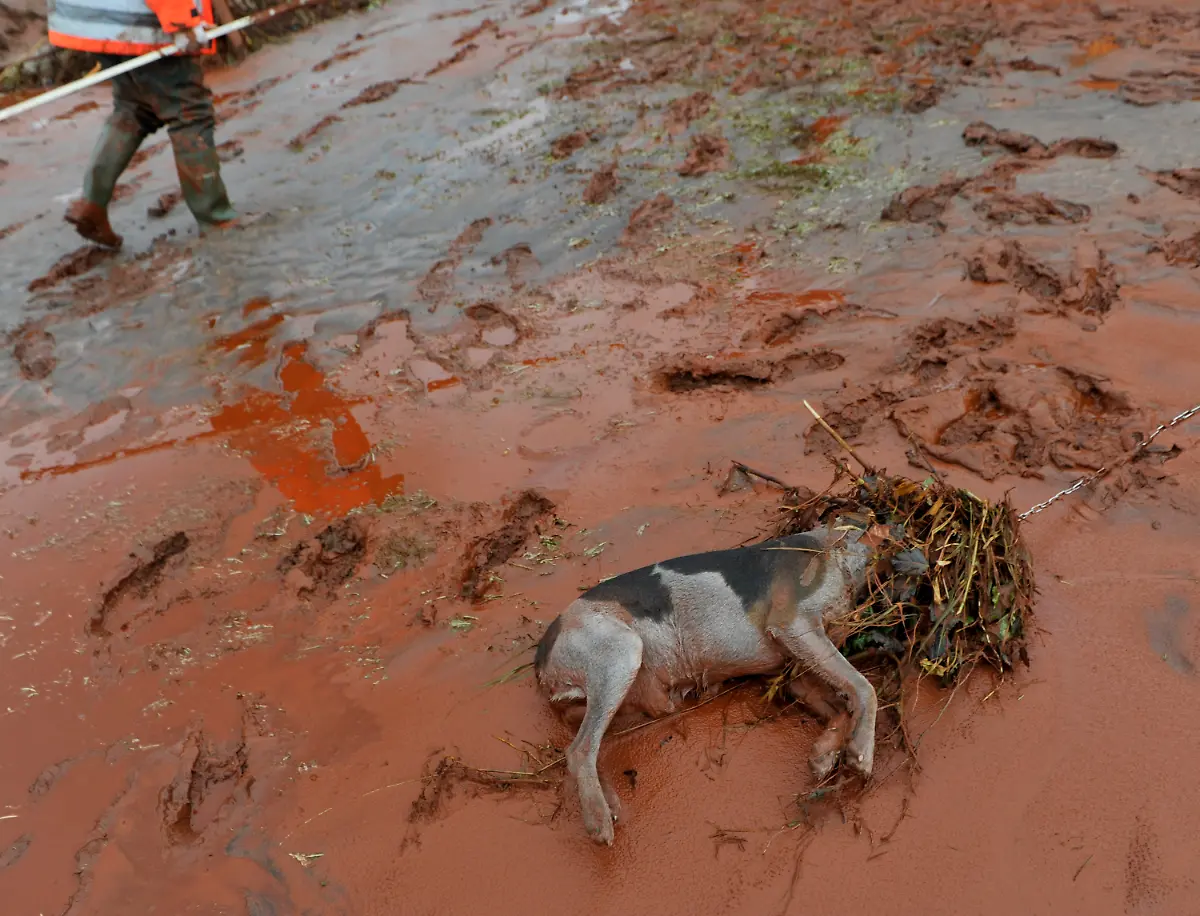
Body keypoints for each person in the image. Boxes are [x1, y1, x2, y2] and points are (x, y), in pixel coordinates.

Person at [46, 0, 237, 248]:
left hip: (88, 19)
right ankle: (217, 220)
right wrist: (181, 18)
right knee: (189, 112)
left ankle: (92, 201)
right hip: (140, 23)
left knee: (133, 107)